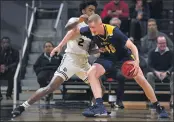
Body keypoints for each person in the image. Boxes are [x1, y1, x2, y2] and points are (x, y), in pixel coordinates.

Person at [12, 0, 105, 117]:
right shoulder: (75, 20)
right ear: (83, 11)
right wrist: (79, 21)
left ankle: (93, 109)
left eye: (94, 10)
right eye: (90, 10)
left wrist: (99, 50)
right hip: (71, 59)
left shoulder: (94, 29)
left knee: (100, 87)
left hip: (84, 62)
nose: (93, 12)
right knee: (50, 87)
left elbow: (91, 49)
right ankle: (22, 106)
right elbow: (68, 28)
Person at [65, 14, 168, 118]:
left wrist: (136, 61)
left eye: (93, 28)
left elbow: (132, 46)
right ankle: (100, 107)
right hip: (108, 57)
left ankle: (158, 107)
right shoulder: (90, 29)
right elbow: (71, 30)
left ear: (100, 24)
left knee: (141, 80)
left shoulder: (114, 32)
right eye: (90, 27)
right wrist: (60, 46)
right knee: (91, 72)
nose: (92, 31)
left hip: (124, 57)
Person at [147, 36, 174, 109]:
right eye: (160, 43)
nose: (163, 45)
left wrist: (167, 72)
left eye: (164, 43)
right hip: (156, 73)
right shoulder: (152, 52)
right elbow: (149, 66)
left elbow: (173, 65)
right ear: (157, 44)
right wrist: (156, 72)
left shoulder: (171, 52)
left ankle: (172, 99)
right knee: (149, 75)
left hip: (167, 73)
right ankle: (152, 100)